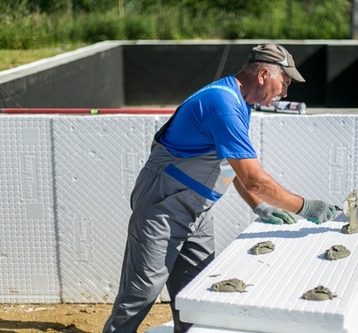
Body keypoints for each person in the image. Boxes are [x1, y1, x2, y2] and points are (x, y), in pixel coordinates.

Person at [103, 43, 337, 333]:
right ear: (264, 73)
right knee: (142, 292)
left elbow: (231, 164)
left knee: (196, 292)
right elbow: (254, 179)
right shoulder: (223, 104)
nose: (285, 93)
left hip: (196, 208)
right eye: (284, 83)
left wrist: (258, 205)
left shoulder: (239, 103)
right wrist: (305, 206)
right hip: (163, 204)